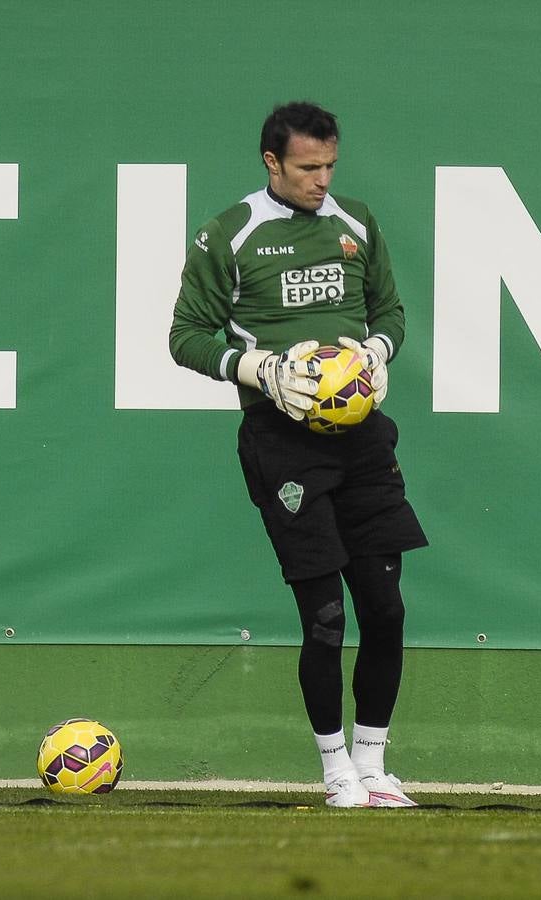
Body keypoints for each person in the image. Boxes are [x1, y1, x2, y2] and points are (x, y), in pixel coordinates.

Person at [169, 101, 429, 808]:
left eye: (330, 166)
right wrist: (262, 371)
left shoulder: (356, 223)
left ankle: (375, 767)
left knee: (385, 608)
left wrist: (375, 351)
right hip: (281, 442)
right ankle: (336, 769)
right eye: (309, 168)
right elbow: (186, 337)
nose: (322, 180)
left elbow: (392, 313)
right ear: (272, 163)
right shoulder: (228, 234)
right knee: (325, 617)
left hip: (363, 437)